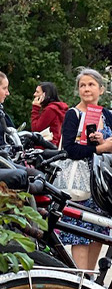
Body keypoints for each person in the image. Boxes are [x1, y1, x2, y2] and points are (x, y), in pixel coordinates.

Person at [59, 68, 112, 270]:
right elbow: (69, 150)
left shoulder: (106, 115)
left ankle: (89, 278)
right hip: (80, 183)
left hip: (102, 185)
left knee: (98, 232)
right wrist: (99, 148)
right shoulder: (73, 114)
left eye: (91, 85)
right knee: (80, 234)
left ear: (101, 89)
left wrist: (106, 143)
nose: (86, 89)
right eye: (82, 85)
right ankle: (81, 279)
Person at [31, 82, 68, 147]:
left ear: (45, 94)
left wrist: (35, 108)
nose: (34, 94)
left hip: (47, 147)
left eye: (37, 92)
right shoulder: (55, 108)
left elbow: (36, 129)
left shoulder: (50, 110)